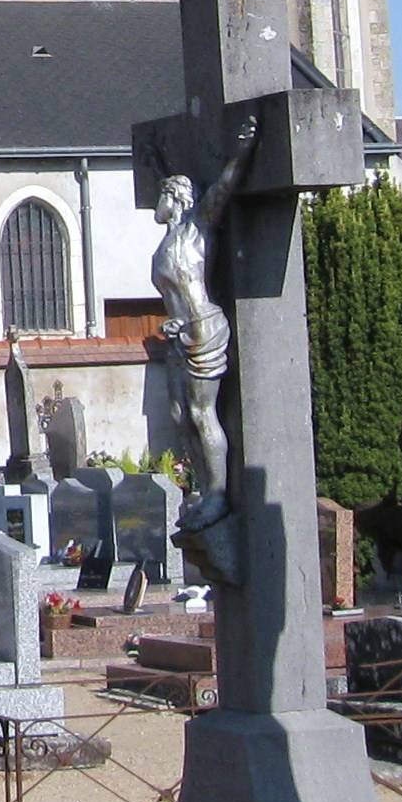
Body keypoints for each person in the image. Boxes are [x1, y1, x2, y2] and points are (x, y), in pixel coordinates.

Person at [153, 112, 259, 537]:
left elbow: (225, 186)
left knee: (200, 412)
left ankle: (218, 493)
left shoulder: (197, 228)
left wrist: (244, 150)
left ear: (176, 198)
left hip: (203, 329)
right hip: (179, 333)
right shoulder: (168, 237)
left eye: (164, 194)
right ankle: (201, 488)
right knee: (180, 415)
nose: (157, 201)